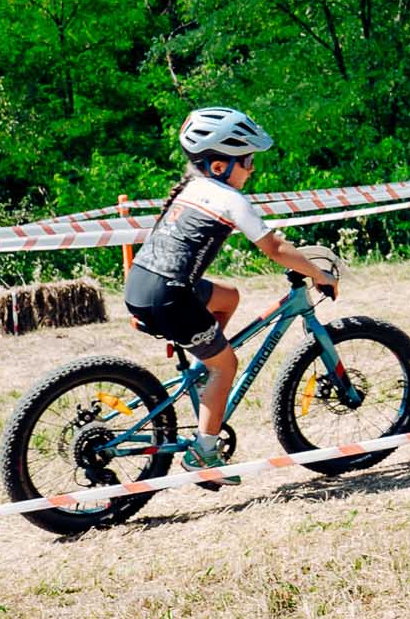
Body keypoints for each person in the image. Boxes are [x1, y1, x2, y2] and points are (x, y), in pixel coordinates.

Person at [122, 107, 337, 476]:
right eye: (247, 160)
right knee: (227, 365)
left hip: (141, 285)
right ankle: (204, 452)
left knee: (229, 296)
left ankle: (204, 368)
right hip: (170, 297)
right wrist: (319, 274)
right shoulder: (230, 199)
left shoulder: (192, 188)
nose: (252, 169)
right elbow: (275, 249)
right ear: (219, 166)